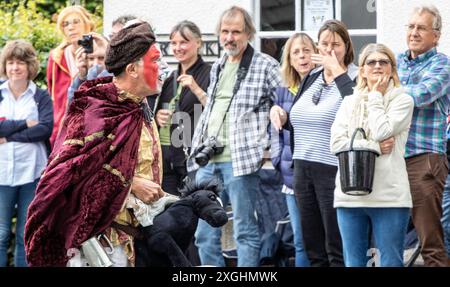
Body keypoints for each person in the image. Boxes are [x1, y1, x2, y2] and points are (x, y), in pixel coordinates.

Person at [24, 21, 166, 267]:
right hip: (101, 245)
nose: (162, 68)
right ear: (132, 69)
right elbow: (64, 176)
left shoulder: (138, 106)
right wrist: (130, 184)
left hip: (135, 242)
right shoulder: (95, 109)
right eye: (155, 61)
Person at [188, 6, 282, 267]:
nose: (229, 37)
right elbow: (212, 110)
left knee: (245, 230)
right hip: (208, 162)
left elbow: (286, 104)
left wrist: (268, 146)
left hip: (240, 162)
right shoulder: (218, 65)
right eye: (225, 32)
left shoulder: (266, 65)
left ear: (249, 33)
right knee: (204, 234)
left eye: (236, 32)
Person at [273, 20, 358, 267]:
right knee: (313, 246)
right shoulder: (311, 76)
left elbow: (357, 111)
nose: (330, 50)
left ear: (346, 46)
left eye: (336, 44)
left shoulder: (355, 76)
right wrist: (282, 115)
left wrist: (338, 71)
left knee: (336, 246)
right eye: (324, 44)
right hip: (302, 167)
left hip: (333, 168)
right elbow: (300, 120)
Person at [330, 43, 414, 267]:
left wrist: (376, 96)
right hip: (349, 196)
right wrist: (374, 146)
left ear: (392, 70)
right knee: (353, 263)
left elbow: (382, 130)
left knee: (390, 262)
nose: (377, 66)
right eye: (371, 62)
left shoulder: (403, 101)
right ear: (363, 70)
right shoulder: (349, 102)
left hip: (389, 197)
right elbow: (336, 143)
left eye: (383, 62)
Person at [397, 4, 450, 267]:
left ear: (436, 36)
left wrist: (386, 90)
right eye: (411, 26)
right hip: (390, 159)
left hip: (424, 160)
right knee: (390, 241)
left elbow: (420, 95)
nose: (414, 32)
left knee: (430, 242)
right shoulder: (395, 61)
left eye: (421, 28)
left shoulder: (443, 66)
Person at [0, 40, 53, 267]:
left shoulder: (40, 96)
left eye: (20, 62)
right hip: (2, 173)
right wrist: (25, 124)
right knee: (0, 234)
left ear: (29, 66)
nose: (15, 68)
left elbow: (45, 128)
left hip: (32, 172)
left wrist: (8, 134)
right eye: (10, 62)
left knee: (25, 234)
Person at [269, 32, 317, 267]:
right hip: (292, 177)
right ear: (289, 58)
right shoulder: (283, 90)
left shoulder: (323, 84)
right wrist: (278, 161)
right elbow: (275, 134)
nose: (301, 56)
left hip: (320, 174)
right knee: (301, 241)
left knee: (323, 240)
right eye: (296, 52)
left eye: (306, 50)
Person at [155, 20, 211, 196]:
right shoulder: (170, 77)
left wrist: (195, 88)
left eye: (184, 42)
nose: (178, 47)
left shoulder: (211, 73)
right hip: (168, 160)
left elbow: (218, 112)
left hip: (195, 160)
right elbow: (159, 112)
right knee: (170, 217)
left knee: (195, 215)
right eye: (174, 43)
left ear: (198, 43)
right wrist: (158, 117)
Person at [47, 5, 95, 146]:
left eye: (76, 22)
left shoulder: (98, 51)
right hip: (64, 123)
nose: (70, 27)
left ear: (87, 24)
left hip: (92, 122)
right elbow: (53, 95)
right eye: (65, 24)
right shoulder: (56, 57)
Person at [67, 33, 111, 107]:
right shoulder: (80, 80)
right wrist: (81, 77)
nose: (95, 64)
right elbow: (72, 108)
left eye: (101, 58)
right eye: (91, 58)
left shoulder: (122, 79)